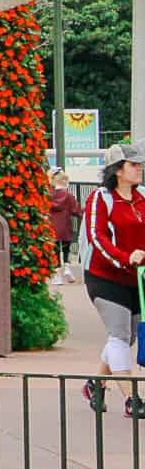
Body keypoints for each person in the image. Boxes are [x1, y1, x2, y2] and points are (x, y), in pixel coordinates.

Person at [81, 143, 145, 416]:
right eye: (134, 165)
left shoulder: (142, 198)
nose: (139, 169)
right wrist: (124, 257)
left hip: (137, 278)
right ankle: (133, 398)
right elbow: (97, 237)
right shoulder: (100, 197)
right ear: (118, 170)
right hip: (104, 276)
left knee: (127, 337)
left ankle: (96, 384)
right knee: (119, 334)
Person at [49, 169, 81, 285]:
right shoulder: (68, 196)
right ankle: (67, 268)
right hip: (66, 227)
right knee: (66, 250)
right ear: (65, 182)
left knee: (55, 251)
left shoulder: (49, 195)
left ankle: (57, 275)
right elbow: (75, 210)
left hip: (52, 227)